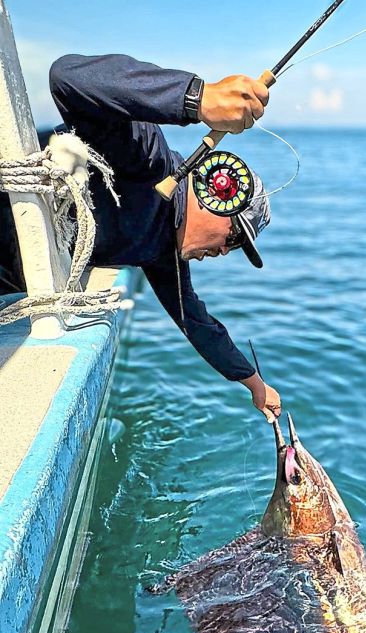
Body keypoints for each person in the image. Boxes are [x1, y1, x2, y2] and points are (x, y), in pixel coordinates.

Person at [48, 53, 281, 424]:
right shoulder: (148, 156)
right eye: (233, 237)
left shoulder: (164, 253)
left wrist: (254, 384)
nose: (223, 252)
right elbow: (67, 78)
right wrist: (197, 99)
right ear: (215, 195)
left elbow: (198, 324)